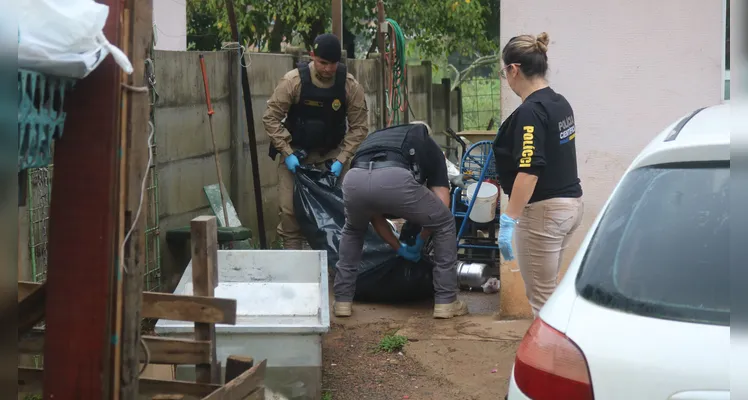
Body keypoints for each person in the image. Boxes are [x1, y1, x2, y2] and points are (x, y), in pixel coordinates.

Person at [332, 122, 469, 319]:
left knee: (353, 230)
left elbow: (374, 216)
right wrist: (420, 239)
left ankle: (342, 300)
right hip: (394, 178)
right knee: (445, 223)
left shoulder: (377, 139)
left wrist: (398, 247)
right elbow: (442, 204)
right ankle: (446, 301)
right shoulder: (428, 145)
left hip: (354, 180)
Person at [493, 32, 585, 317]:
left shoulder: (530, 112)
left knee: (542, 304)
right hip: (570, 206)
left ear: (514, 69)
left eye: (504, 71)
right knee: (550, 295)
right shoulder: (559, 102)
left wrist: (509, 220)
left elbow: (530, 170)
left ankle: (547, 360)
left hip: (544, 213)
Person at [263, 33, 369, 250]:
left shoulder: (348, 86)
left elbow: (359, 127)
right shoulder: (293, 82)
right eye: (323, 63)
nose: (328, 69)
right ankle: (295, 272)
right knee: (290, 213)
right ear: (313, 56)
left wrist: (341, 159)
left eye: (333, 64)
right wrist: (287, 152)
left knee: (341, 212)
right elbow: (271, 118)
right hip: (295, 156)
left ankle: (336, 271)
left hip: (332, 157)